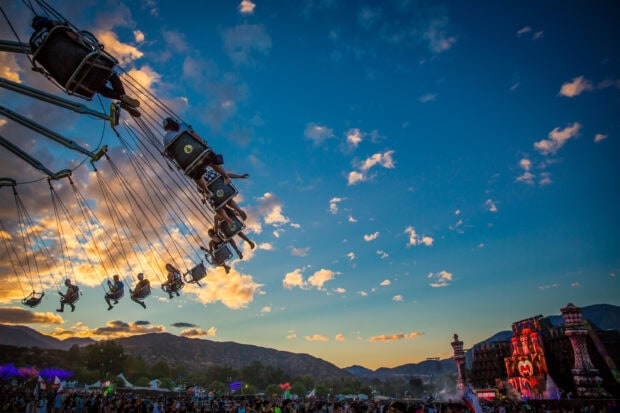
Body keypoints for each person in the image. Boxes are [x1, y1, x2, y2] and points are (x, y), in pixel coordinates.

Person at [29, 16, 141, 117]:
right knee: (110, 73)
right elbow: (73, 36)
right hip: (82, 59)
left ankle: (121, 99)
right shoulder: (52, 24)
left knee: (97, 87)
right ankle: (122, 97)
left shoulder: (32, 45)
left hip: (67, 77)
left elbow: (44, 65)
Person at [162, 117, 230, 194]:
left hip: (186, 161)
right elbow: (196, 136)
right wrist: (204, 144)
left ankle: (207, 191)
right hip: (199, 152)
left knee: (196, 176)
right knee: (211, 161)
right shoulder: (183, 125)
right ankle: (226, 177)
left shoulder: (166, 139)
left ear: (166, 129)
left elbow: (170, 155)